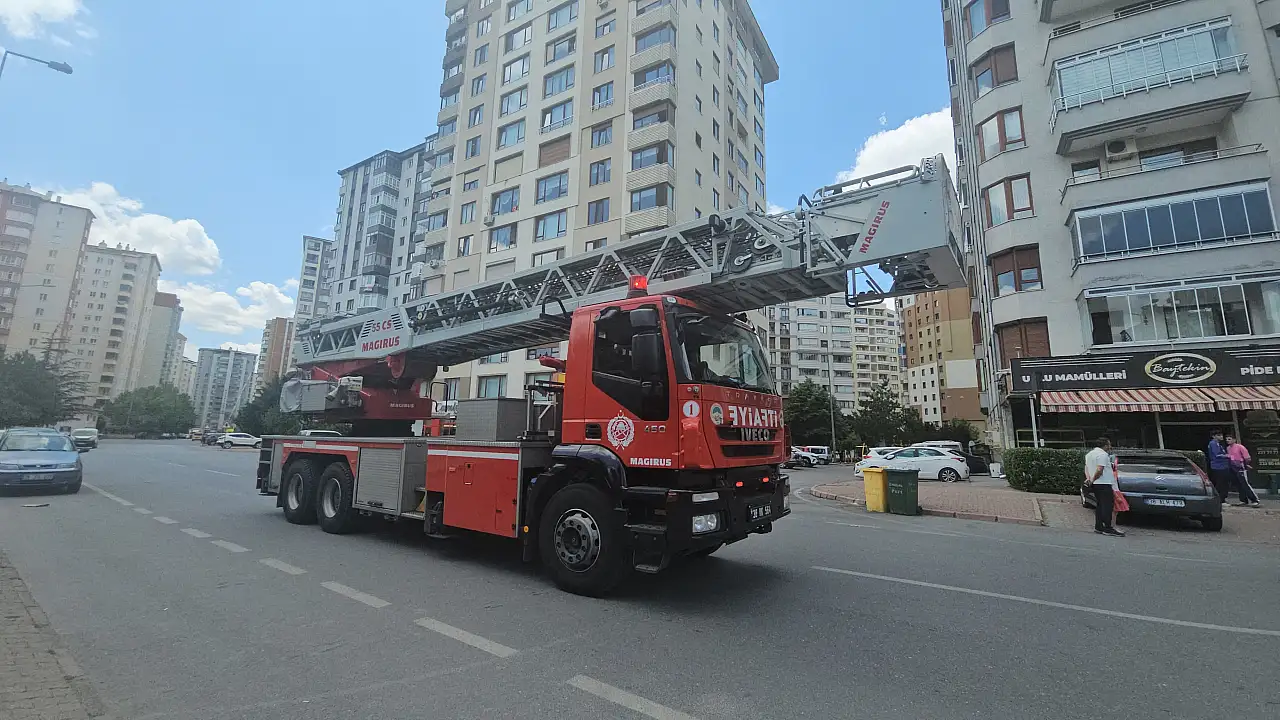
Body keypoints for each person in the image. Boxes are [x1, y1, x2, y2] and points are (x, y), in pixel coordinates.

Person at [1085, 436, 1124, 537]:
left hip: (1095, 484)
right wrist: (1093, 479)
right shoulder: (1102, 455)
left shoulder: (1089, 454)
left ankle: (1099, 526)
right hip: (1104, 482)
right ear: (1105, 445)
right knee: (1107, 506)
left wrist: (1089, 479)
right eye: (1109, 444)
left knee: (1099, 505)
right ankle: (1107, 527)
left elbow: (1086, 468)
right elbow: (1099, 469)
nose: (1110, 446)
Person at [1225, 434, 1262, 508]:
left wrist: (1245, 465)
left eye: (1229, 439)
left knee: (1245, 484)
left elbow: (1247, 457)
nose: (1228, 441)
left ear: (1234, 440)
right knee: (1239, 485)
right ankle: (1243, 500)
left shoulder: (1240, 447)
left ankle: (1255, 500)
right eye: (1227, 439)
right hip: (1233, 468)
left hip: (1241, 468)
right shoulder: (1228, 448)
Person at [1207, 429, 1233, 505]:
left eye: (1221, 435)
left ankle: (1222, 499)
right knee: (1221, 484)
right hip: (1218, 466)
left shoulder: (1218, 444)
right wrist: (1228, 456)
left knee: (1224, 483)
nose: (1221, 437)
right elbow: (1217, 455)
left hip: (1222, 466)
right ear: (1213, 436)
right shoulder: (1213, 443)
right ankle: (1220, 500)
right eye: (1218, 435)